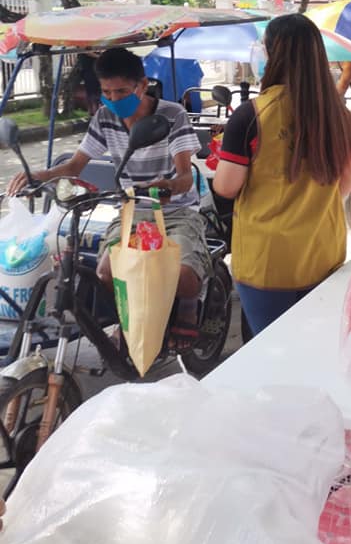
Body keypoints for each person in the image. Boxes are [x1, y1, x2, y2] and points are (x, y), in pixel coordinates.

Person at [8, 47, 209, 346]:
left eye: (121, 91)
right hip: (131, 209)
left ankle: (188, 312)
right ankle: (128, 321)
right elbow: (76, 166)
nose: (113, 99)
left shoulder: (172, 114)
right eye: (106, 92)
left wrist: (167, 186)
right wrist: (40, 176)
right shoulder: (104, 117)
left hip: (176, 210)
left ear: (142, 85)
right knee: (105, 272)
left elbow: (184, 176)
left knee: (182, 275)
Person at [212, 14, 351, 337]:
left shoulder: (252, 115)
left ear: (272, 54)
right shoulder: (341, 116)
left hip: (267, 261)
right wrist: (317, 203)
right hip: (323, 252)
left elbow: (226, 186)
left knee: (267, 357)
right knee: (311, 348)